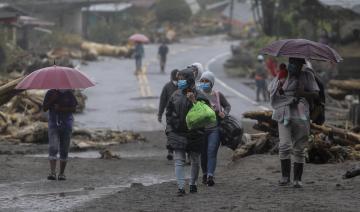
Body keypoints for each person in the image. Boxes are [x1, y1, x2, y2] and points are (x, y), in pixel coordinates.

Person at [268, 57, 319, 188]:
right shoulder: (283, 73)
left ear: (301, 65)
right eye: (291, 63)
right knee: (284, 145)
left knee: (300, 148)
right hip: (283, 112)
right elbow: (272, 90)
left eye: (295, 64)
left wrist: (303, 93)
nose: (292, 66)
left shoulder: (308, 75)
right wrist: (279, 87)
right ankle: (285, 177)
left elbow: (316, 94)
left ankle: (297, 179)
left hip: (301, 114)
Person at [165, 68, 209, 196]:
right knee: (179, 160)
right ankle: (180, 187)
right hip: (178, 133)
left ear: (189, 80)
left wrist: (194, 101)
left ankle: (193, 184)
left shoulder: (200, 96)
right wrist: (170, 129)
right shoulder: (175, 95)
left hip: (195, 134)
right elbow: (168, 113)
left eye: (182, 79)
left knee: (195, 160)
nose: (179, 81)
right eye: (178, 79)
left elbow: (207, 114)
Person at [198, 71, 231, 186]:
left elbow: (227, 106)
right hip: (201, 130)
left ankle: (210, 176)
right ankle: (205, 173)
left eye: (206, 81)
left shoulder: (217, 95)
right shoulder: (197, 95)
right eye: (202, 81)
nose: (203, 83)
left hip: (214, 129)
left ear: (211, 83)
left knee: (211, 151)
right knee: (203, 154)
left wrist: (224, 113)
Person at [43, 89, 78, 181]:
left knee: (64, 149)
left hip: (67, 124)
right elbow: (44, 108)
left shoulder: (69, 93)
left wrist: (61, 109)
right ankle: (53, 173)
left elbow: (74, 108)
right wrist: (52, 100)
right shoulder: (50, 93)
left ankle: (62, 173)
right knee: (53, 147)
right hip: (53, 124)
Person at [158, 69, 179, 160]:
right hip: (170, 115)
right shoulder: (167, 87)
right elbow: (162, 101)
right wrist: (160, 114)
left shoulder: (183, 87)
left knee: (180, 133)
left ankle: (181, 151)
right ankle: (170, 151)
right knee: (171, 132)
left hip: (182, 114)